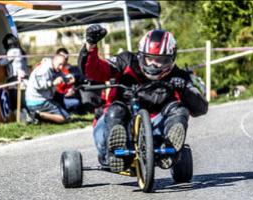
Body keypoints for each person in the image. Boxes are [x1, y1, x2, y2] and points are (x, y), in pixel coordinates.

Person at [79, 25, 208, 172]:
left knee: (180, 110)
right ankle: (115, 153)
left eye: (160, 60)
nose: (153, 65)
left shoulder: (178, 75)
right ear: (141, 55)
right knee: (116, 110)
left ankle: (170, 149)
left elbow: (201, 108)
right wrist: (91, 45)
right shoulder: (126, 61)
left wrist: (184, 89)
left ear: (171, 59)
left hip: (155, 130)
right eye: (149, 59)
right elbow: (95, 71)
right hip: (114, 119)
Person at [25, 51, 71, 124]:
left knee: (65, 114)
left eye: (63, 65)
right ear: (54, 60)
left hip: (41, 100)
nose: (61, 67)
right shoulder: (45, 69)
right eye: (60, 64)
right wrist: (53, 83)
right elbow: (38, 85)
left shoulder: (54, 68)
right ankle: (37, 115)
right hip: (37, 101)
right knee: (65, 118)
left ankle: (37, 118)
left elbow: (63, 76)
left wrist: (66, 79)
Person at [0, 33, 31, 122]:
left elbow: (2, 62)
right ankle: (28, 118)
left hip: (15, 80)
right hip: (24, 79)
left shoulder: (12, 51)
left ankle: (22, 120)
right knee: (23, 101)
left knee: (15, 103)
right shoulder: (21, 51)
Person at [53, 48, 82, 113]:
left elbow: (69, 85)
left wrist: (71, 90)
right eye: (62, 56)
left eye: (66, 58)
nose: (64, 59)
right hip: (54, 97)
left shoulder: (66, 71)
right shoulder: (52, 70)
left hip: (64, 97)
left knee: (76, 102)